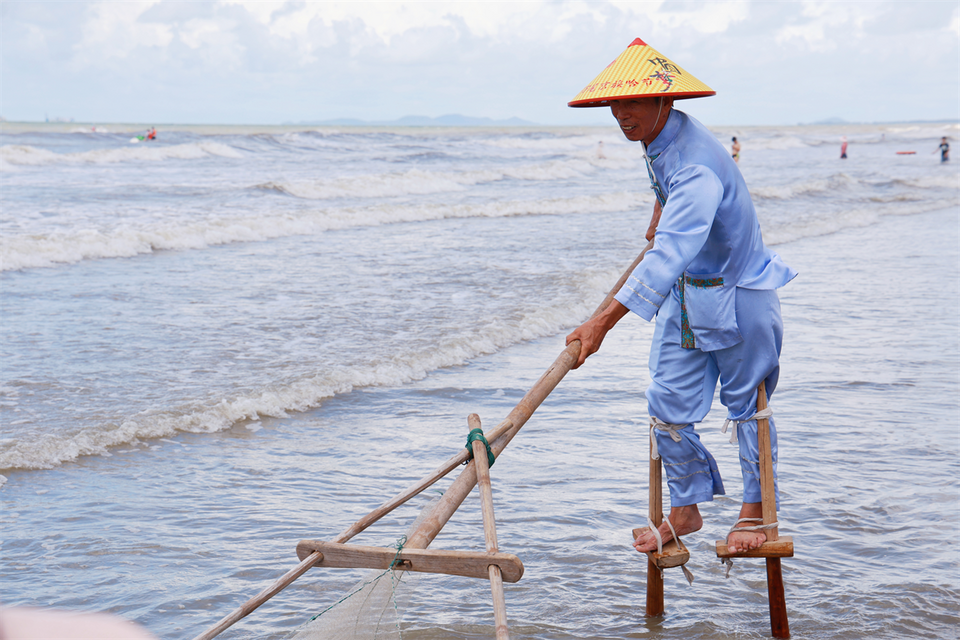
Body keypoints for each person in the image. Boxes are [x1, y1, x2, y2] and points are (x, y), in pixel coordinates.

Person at [566, 38, 796, 555]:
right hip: (690, 296)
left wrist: (601, 323)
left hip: (739, 295)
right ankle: (685, 508)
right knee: (666, 401)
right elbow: (667, 200)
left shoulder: (696, 166)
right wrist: (658, 206)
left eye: (633, 104)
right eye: (614, 105)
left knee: (747, 408)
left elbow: (667, 254)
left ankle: (755, 512)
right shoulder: (659, 142)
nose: (622, 115)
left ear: (665, 102)